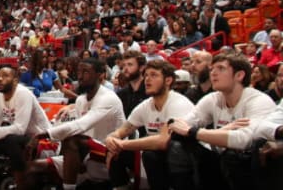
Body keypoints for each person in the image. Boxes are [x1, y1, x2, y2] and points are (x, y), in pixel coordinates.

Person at [168, 53, 277, 190]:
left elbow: (244, 140)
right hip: (219, 158)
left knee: (232, 154)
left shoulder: (258, 101)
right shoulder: (213, 98)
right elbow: (175, 125)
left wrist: (193, 132)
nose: (213, 73)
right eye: (212, 68)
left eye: (220, 68)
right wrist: (221, 130)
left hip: (253, 166)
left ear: (239, 75)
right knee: (177, 146)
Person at [26, 58, 126, 190]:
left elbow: (79, 126)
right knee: (29, 168)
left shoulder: (108, 98)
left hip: (110, 155)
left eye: (85, 72)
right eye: (79, 71)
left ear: (100, 74)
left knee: (72, 138)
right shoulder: (80, 100)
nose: (80, 76)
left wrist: (42, 135)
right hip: (85, 154)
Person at [105, 60, 195, 190]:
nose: (147, 79)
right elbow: (123, 130)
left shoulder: (179, 103)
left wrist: (121, 144)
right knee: (116, 150)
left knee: (150, 154)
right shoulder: (146, 105)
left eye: (153, 75)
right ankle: (120, 187)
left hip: (186, 160)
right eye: (146, 75)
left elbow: (162, 141)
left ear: (168, 80)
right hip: (159, 156)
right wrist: (111, 139)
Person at [0, 65, 51, 189]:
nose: (0, 79)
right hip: (18, 137)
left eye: (5, 76)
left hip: (39, 139)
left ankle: (20, 184)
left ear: (15, 80)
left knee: (12, 139)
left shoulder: (23, 94)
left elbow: (20, 129)